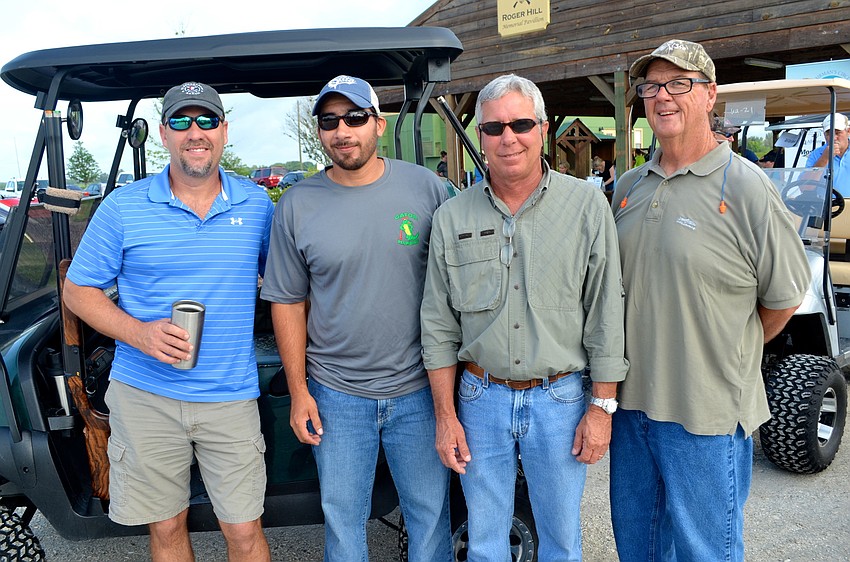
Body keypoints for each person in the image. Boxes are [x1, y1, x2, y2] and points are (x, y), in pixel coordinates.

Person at [612, 39, 810, 561]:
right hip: (630, 410)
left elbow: (784, 297)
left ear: (709, 95)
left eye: (680, 84)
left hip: (706, 414)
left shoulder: (746, 186)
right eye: (652, 86)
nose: (663, 96)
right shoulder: (628, 188)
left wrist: (727, 347)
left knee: (708, 552)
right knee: (639, 549)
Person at [62, 82, 274, 562]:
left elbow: (289, 282)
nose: (194, 132)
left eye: (206, 121)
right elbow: (77, 290)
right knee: (167, 527)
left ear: (224, 131)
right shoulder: (123, 206)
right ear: (163, 133)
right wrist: (139, 332)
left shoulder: (257, 206)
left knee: (243, 532)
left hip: (230, 394)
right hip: (146, 395)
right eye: (181, 121)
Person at [421, 73, 629, 561]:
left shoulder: (586, 206)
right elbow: (437, 326)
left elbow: (606, 312)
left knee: (561, 541)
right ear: (480, 137)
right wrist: (445, 417)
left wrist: (601, 410)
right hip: (479, 399)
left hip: (559, 399)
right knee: (485, 542)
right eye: (493, 128)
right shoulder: (452, 217)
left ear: (543, 128)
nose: (507, 137)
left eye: (520, 124)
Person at [260, 75, 452, 562]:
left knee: (430, 516)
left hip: (420, 390)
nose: (342, 130)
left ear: (378, 125)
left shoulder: (429, 190)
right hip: (336, 394)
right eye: (329, 121)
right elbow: (286, 301)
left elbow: (460, 285)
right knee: (343, 522)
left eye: (355, 117)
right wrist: (300, 391)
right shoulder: (297, 204)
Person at [807, 113, 850, 196]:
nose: (833, 138)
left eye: (838, 133)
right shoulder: (816, 154)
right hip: (827, 206)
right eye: (829, 133)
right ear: (824, 135)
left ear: (848, 131)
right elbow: (806, 187)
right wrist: (824, 159)